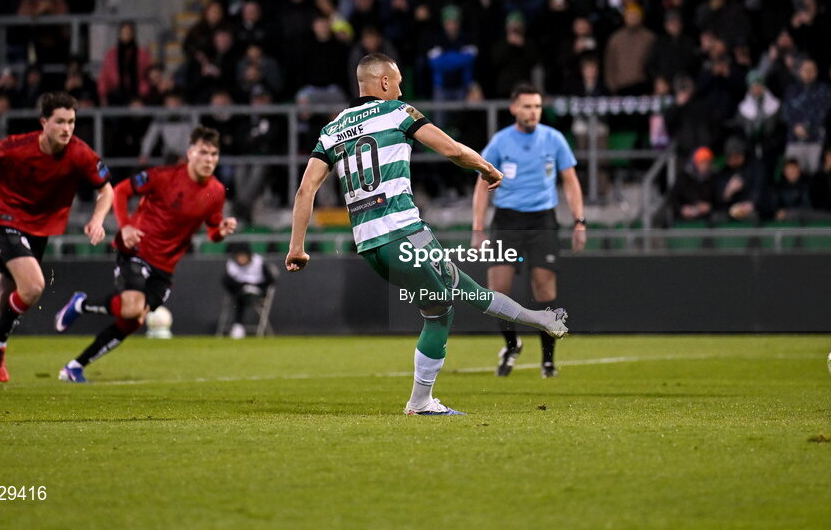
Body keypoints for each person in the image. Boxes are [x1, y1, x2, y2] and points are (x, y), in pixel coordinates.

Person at [285, 54, 568, 416]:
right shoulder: (397, 112)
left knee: (454, 294)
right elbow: (451, 149)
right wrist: (486, 167)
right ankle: (420, 402)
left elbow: (305, 190)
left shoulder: (332, 128)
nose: (401, 88)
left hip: (371, 246)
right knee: (446, 307)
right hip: (404, 232)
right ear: (385, 82)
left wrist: (297, 247)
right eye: (398, 81)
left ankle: (540, 320)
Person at [0, 92, 113, 390]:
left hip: (38, 230)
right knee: (33, 286)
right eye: (59, 122)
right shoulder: (19, 146)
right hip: (5, 221)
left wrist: (97, 220)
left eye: (71, 121)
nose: (67, 128)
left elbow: (106, 189)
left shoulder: (80, 153)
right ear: (44, 123)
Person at [53, 127, 237, 382]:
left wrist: (222, 231)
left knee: (133, 320)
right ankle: (80, 304)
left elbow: (213, 233)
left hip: (166, 266)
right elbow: (120, 191)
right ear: (190, 153)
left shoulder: (215, 191)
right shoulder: (164, 177)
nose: (209, 159)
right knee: (132, 308)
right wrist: (125, 225)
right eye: (203, 153)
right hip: (136, 249)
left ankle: (74, 366)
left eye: (214, 154)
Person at [470, 84, 585, 378]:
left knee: (545, 290)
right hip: (507, 221)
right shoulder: (500, 142)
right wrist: (478, 228)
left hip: (542, 221)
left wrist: (579, 220)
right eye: (527, 106)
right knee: (497, 291)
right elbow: (482, 185)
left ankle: (547, 360)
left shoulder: (554, 139)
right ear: (513, 109)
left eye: (537, 106)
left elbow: (570, 181)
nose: (533, 112)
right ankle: (512, 344)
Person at [222, 241, 274, 339]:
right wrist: (242, 286)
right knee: (240, 297)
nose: (242, 259)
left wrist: (257, 287)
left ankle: (238, 326)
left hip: (258, 293)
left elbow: (270, 279)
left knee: (245, 295)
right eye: (239, 256)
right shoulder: (232, 265)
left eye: (244, 256)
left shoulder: (259, 263)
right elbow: (226, 281)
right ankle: (238, 326)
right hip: (239, 293)